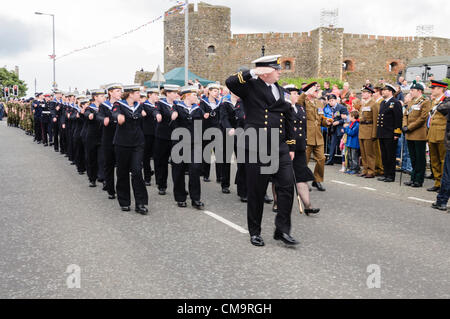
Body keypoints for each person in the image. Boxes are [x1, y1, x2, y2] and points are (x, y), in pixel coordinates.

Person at [226, 54, 299, 247]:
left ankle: (282, 230)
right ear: (265, 72)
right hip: (257, 146)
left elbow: (289, 116)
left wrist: (291, 145)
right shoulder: (250, 87)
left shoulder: (281, 90)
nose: (279, 72)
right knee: (257, 191)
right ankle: (255, 231)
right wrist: (252, 72)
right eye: (276, 69)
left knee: (286, 188)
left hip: (280, 146)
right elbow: (230, 82)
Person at [112, 85, 149, 215]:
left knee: (137, 172)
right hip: (122, 143)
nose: (140, 94)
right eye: (137, 92)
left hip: (137, 143)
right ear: (130, 94)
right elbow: (115, 112)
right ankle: (124, 201)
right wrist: (118, 117)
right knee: (122, 172)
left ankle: (140, 203)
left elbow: (144, 113)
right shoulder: (119, 104)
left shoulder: (139, 105)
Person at [171, 86, 209, 209]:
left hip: (194, 143)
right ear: (187, 95)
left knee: (195, 169)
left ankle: (195, 199)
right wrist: (174, 115)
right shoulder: (177, 106)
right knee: (179, 171)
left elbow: (202, 121)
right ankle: (180, 198)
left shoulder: (197, 109)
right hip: (180, 143)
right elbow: (171, 116)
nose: (196, 97)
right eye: (194, 95)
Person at [285, 85, 320, 216]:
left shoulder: (299, 108)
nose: (295, 95)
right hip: (285, 148)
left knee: (301, 176)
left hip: (299, 148)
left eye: (296, 93)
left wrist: (304, 142)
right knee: (281, 178)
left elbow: (303, 127)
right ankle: (277, 202)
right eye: (292, 93)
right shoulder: (284, 108)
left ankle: (308, 205)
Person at [299, 82, 332, 192]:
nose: (318, 92)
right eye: (315, 90)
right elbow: (298, 103)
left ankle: (317, 180)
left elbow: (321, 118)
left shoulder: (319, 103)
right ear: (309, 92)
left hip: (318, 136)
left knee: (321, 159)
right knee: (305, 160)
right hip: (307, 135)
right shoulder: (304, 101)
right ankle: (303, 181)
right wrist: (305, 93)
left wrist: (325, 122)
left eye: (318, 90)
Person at [402, 81, 431, 188]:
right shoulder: (412, 102)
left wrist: (409, 127)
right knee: (413, 157)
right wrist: (404, 125)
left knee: (420, 158)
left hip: (419, 134)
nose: (411, 92)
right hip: (409, 134)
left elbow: (422, 118)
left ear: (419, 91)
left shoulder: (425, 101)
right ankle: (413, 178)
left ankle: (419, 180)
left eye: (412, 90)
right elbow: (405, 114)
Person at [97, 83, 123, 199]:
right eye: (117, 91)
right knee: (109, 164)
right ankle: (110, 189)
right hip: (108, 138)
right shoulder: (104, 105)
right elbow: (99, 116)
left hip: (121, 138)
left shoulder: (123, 104)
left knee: (121, 166)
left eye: (120, 91)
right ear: (110, 93)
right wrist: (104, 119)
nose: (120, 93)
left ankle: (121, 189)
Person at [154, 84, 180, 196]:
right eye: (174, 93)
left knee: (177, 163)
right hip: (162, 136)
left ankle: (179, 187)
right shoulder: (160, 103)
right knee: (162, 161)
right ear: (168, 93)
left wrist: (177, 113)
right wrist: (158, 115)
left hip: (176, 136)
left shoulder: (178, 104)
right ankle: (162, 185)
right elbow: (155, 111)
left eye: (176, 93)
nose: (176, 95)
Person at [376, 84, 403, 183]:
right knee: (384, 155)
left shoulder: (395, 103)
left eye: (385, 90)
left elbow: (398, 119)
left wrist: (397, 133)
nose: (382, 92)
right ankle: (386, 173)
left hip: (390, 133)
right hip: (382, 133)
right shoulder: (383, 103)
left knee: (390, 155)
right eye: (382, 90)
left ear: (390, 91)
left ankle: (391, 175)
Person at [427, 80, 450, 193]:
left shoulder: (446, 101)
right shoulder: (434, 101)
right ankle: (437, 182)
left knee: (442, 160)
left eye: (434, 88)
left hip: (441, 134)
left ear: (441, 89)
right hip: (432, 133)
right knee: (434, 160)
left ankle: (443, 184)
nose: (432, 90)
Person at [200, 83, 223, 184]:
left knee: (219, 154)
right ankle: (205, 174)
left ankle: (220, 176)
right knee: (207, 153)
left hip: (217, 130)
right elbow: (199, 113)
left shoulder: (220, 103)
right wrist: (203, 114)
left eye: (217, 91)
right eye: (214, 91)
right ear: (209, 91)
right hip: (206, 130)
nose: (216, 92)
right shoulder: (203, 102)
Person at [84, 89, 105, 188]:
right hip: (91, 137)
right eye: (101, 96)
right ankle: (92, 179)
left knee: (102, 158)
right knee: (91, 158)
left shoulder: (104, 108)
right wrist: (90, 115)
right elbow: (87, 114)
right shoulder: (90, 108)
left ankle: (103, 178)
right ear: (95, 97)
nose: (104, 98)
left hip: (102, 136)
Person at [358, 85, 378, 178]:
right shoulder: (364, 104)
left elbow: (375, 119)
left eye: (364, 92)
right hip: (362, 130)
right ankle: (365, 169)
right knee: (363, 152)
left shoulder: (373, 104)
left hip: (369, 130)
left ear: (370, 94)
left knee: (369, 153)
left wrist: (374, 133)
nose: (362, 94)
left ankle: (371, 170)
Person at [142, 88, 160, 186]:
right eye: (155, 94)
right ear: (149, 95)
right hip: (147, 134)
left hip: (157, 133)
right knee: (146, 156)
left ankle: (158, 179)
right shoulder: (144, 105)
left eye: (158, 94)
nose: (157, 96)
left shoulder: (159, 105)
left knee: (157, 156)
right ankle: (147, 177)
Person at [325, 94, 349, 166]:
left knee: (343, 146)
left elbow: (346, 118)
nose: (331, 102)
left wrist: (338, 122)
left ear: (336, 100)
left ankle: (345, 161)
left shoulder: (342, 107)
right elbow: (335, 117)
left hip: (341, 129)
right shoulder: (332, 108)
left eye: (332, 100)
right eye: (329, 101)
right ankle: (330, 160)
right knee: (332, 145)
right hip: (334, 129)